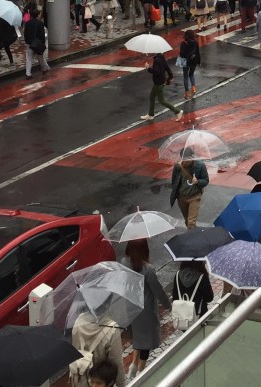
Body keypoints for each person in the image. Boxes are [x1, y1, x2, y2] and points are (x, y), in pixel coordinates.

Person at [123, 239, 170, 378]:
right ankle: (140, 373)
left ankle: (133, 365)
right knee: (146, 342)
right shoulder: (148, 269)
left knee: (138, 337)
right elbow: (158, 290)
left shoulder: (124, 262)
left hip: (130, 307)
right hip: (146, 311)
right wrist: (168, 305)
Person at [68, 311, 124, 387]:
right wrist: (121, 384)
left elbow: (74, 348)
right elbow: (117, 362)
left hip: (79, 376)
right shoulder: (112, 329)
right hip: (101, 380)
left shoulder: (79, 321)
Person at [170, 155, 209, 227]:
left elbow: (206, 180)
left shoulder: (200, 165)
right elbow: (174, 183)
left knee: (191, 223)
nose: (186, 162)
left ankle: (191, 232)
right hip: (182, 198)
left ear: (192, 158)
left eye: (188, 160)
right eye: (184, 160)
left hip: (194, 197)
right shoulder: (177, 166)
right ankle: (191, 232)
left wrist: (198, 181)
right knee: (187, 221)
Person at [142, 51, 181, 121]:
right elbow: (167, 67)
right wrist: (171, 76)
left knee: (162, 101)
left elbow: (157, 72)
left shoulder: (157, 60)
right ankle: (151, 114)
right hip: (160, 81)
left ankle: (177, 111)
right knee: (152, 97)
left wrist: (148, 68)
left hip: (158, 83)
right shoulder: (162, 57)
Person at [22, 6, 50, 78]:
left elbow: (25, 34)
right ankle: (45, 68)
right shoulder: (40, 23)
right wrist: (43, 43)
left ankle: (28, 74)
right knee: (40, 57)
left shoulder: (27, 23)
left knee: (29, 59)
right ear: (37, 15)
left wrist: (27, 42)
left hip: (30, 43)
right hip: (38, 43)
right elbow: (42, 34)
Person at [178, 29, 201, 100]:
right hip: (194, 60)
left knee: (185, 76)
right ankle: (193, 87)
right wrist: (199, 61)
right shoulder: (196, 42)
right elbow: (197, 52)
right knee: (191, 74)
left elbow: (181, 53)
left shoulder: (183, 43)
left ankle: (187, 93)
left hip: (185, 61)